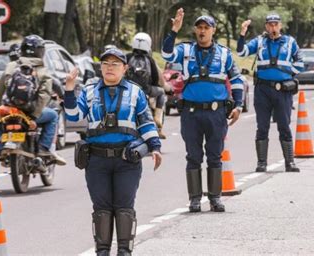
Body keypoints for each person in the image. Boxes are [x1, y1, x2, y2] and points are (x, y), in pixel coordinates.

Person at [64, 48, 162, 256]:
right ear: (101, 67)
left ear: (124, 68)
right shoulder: (89, 91)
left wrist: (155, 147)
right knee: (102, 209)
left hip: (127, 160)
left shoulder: (136, 92)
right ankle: (102, 252)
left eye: (115, 64)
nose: (109, 67)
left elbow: (146, 122)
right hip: (96, 161)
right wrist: (69, 90)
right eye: (106, 63)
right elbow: (73, 116)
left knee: (124, 207)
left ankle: (124, 252)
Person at [162, 9, 244, 213]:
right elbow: (166, 54)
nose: (202, 31)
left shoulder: (225, 53)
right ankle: (195, 199)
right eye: (199, 27)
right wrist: (173, 31)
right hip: (191, 113)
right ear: (195, 30)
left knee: (215, 156)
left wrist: (239, 105)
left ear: (213, 30)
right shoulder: (186, 51)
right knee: (193, 155)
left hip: (216, 113)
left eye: (206, 28)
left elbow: (235, 80)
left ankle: (215, 197)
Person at [237, 13, 303, 173]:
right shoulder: (259, 41)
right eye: (270, 24)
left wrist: (288, 76)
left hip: (283, 91)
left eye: (275, 24)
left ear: (280, 26)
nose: (273, 27)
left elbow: (300, 63)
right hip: (262, 90)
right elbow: (241, 52)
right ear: (266, 26)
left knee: (284, 126)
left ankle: (290, 162)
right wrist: (242, 33)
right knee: (262, 127)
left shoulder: (290, 42)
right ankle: (261, 163)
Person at [0, 34, 65, 165]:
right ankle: (43, 148)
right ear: (41, 51)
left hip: (10, 111)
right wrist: (34, 116)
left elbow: (0, 89)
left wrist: (2, 106)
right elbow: (44, 95)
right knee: (53, 116)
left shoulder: (11, 66)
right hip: (30, 112)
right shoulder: (43, 70)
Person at [126, 32, 168, 139]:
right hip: (145, 90)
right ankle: (157, 117)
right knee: (162, 92)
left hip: (127, 90)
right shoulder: (150, 60)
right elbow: (155, 78)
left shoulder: (127, 57)